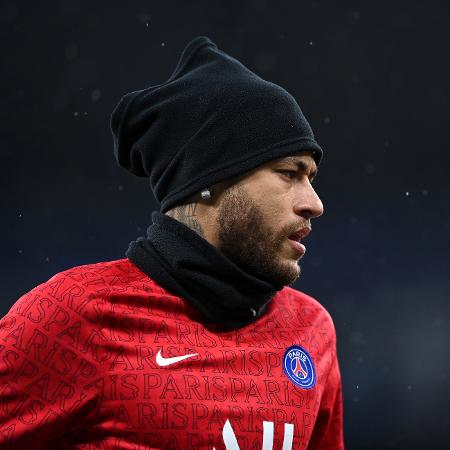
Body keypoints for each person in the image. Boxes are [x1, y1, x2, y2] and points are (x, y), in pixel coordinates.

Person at [0, 36, 344, 449]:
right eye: (290, 172)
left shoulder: (310, 331)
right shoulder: (75, 316)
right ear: (209, 180)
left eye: (311, 179)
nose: (314, 204)